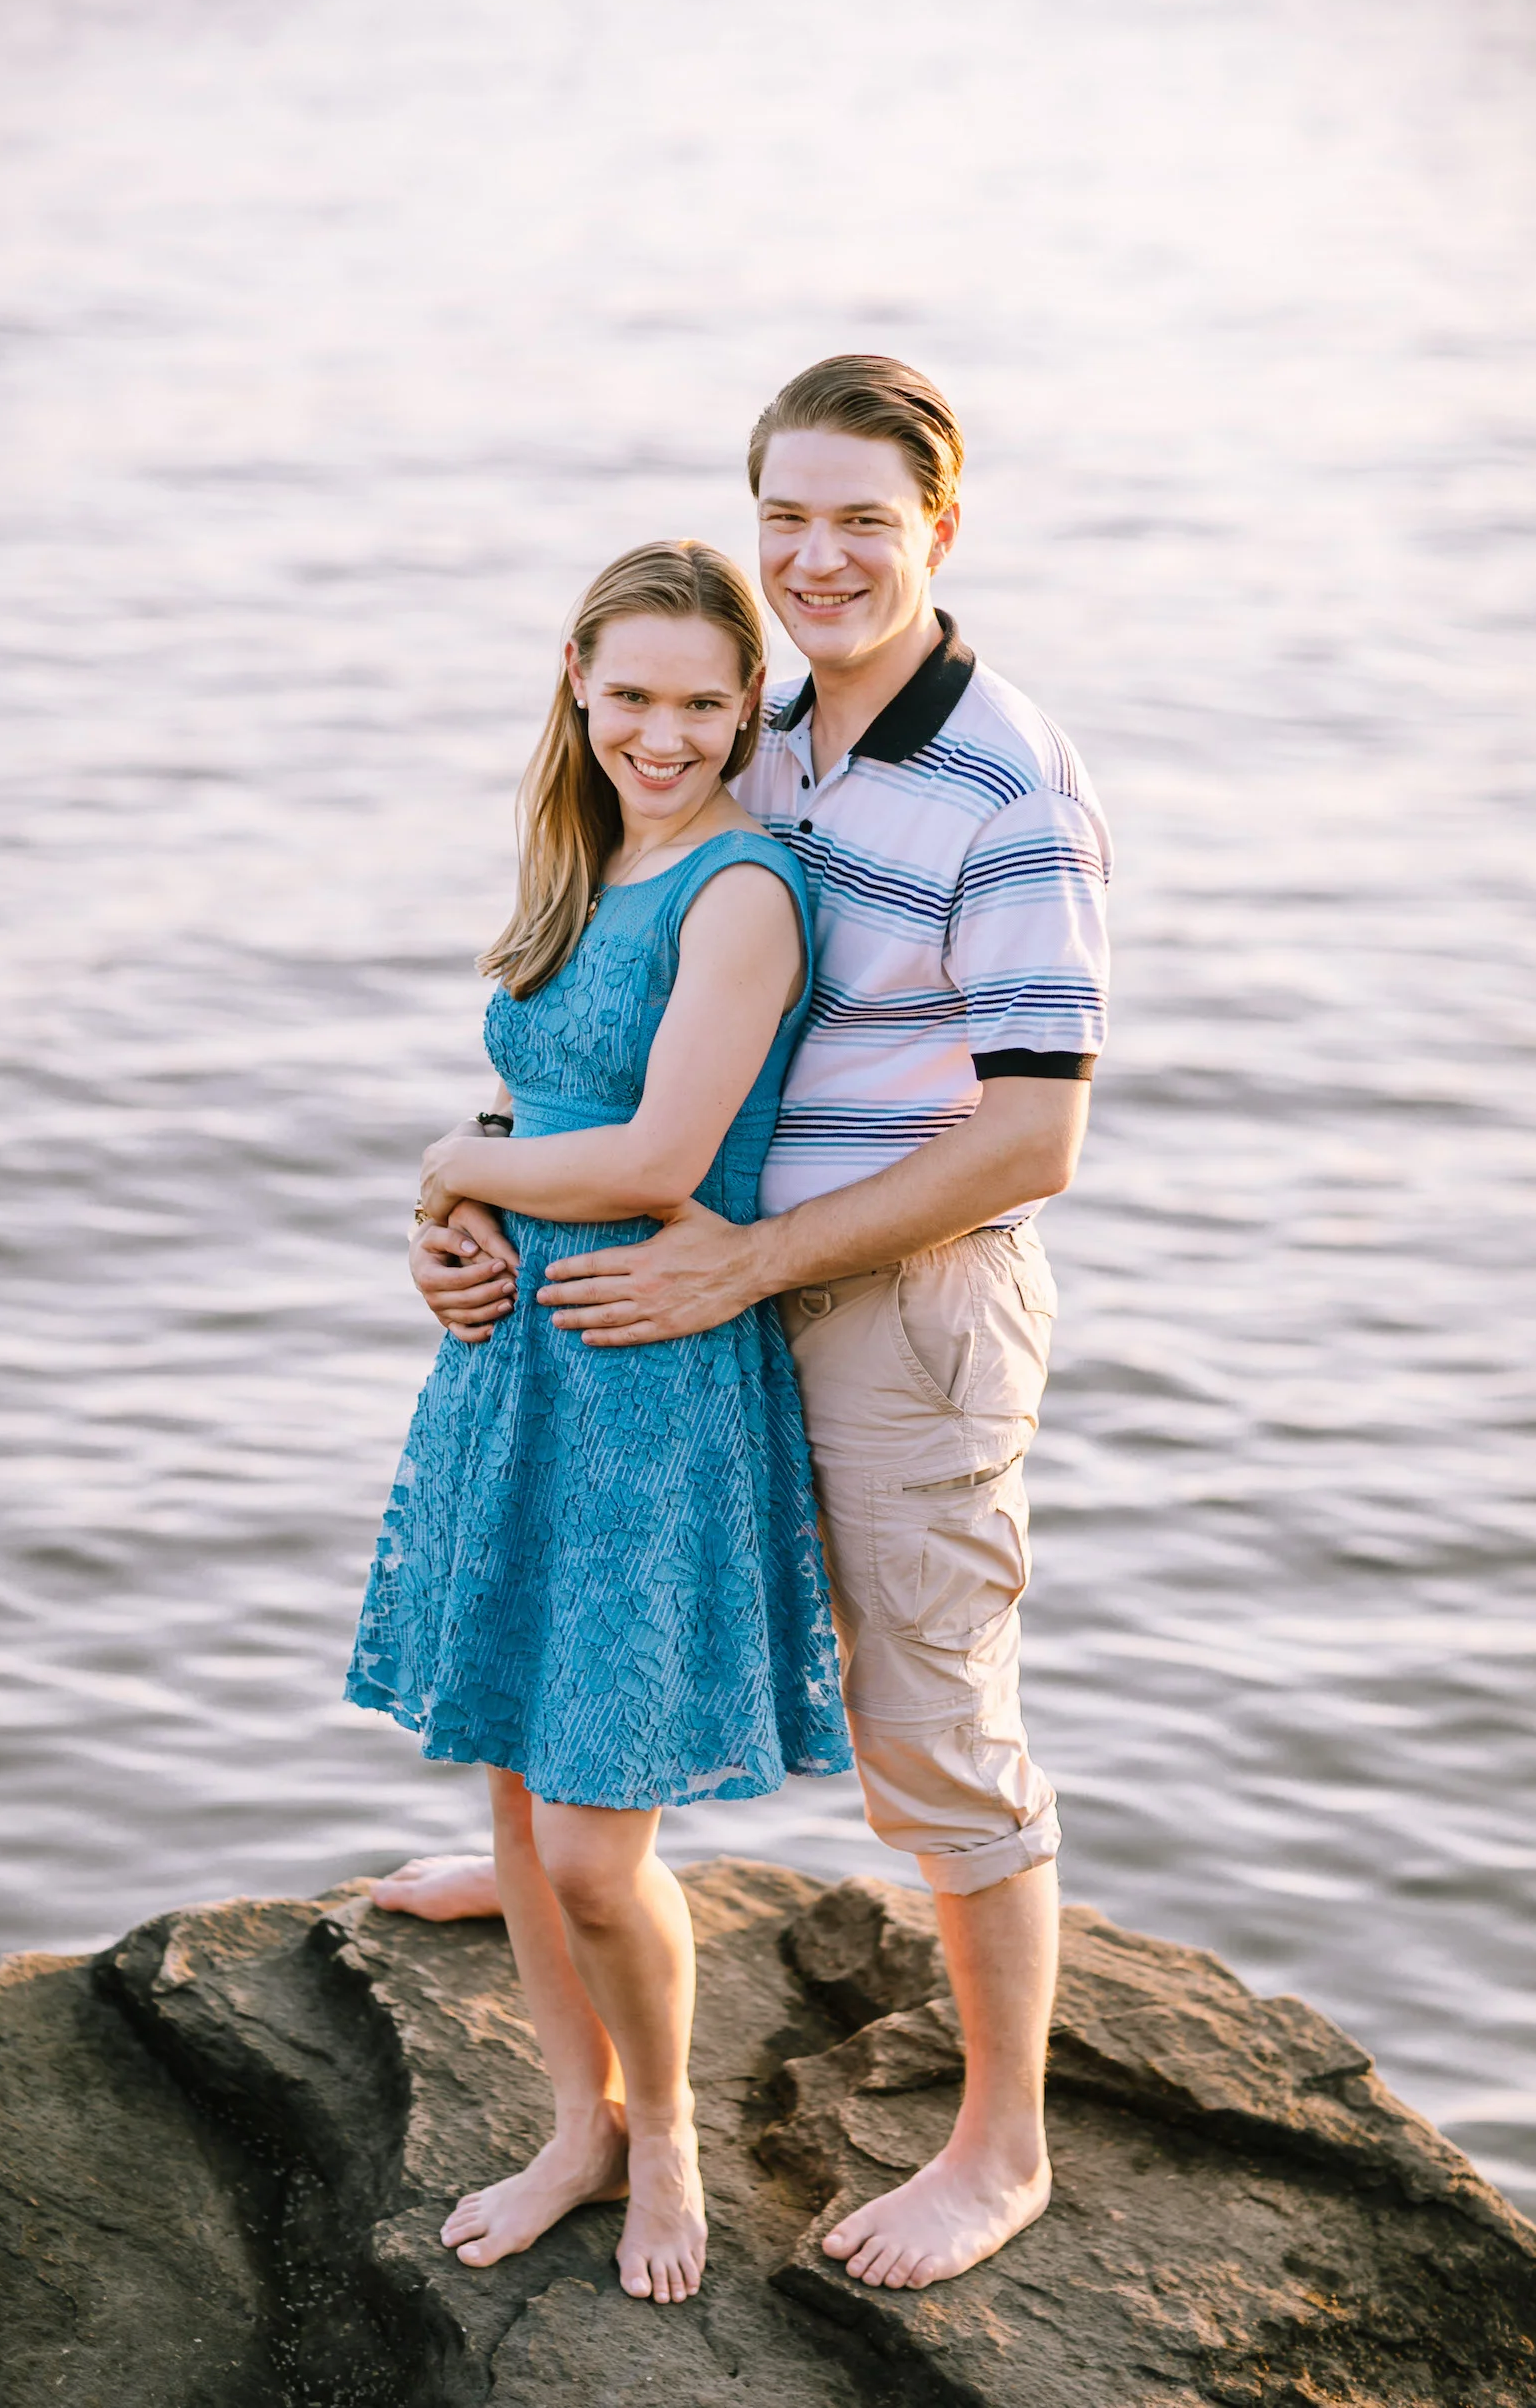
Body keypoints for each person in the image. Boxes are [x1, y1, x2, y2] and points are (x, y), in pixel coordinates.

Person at [392, 357, 1111, 2294]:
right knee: (605, 1651)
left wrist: (747, 1257)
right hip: (693, 1289)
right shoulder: (764, 732)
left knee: (931, 1727)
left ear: (939, 526)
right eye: (786, 515)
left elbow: (1037, 1133)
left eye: (864, 518)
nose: (818, 556)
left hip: (898, 1297)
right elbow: (618, 1031)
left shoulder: (1009, 782)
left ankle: (1003, 2148)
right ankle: (557, 1860)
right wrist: (466, 1199)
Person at [347, 538, 852, 2309]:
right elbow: (537, 1103)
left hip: (648, 1380)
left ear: (750, 707)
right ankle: (575, 2126)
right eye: (631, 693)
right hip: (518, 1369)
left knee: (588, 1841)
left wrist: (452, 1165)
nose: (664, 733)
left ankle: (668, 2135)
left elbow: (655, 1157)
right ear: (577, 679)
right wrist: (448, 1220)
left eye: (704, 703)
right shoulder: (583, 858)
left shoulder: (741, 890)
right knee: (511, 1769)